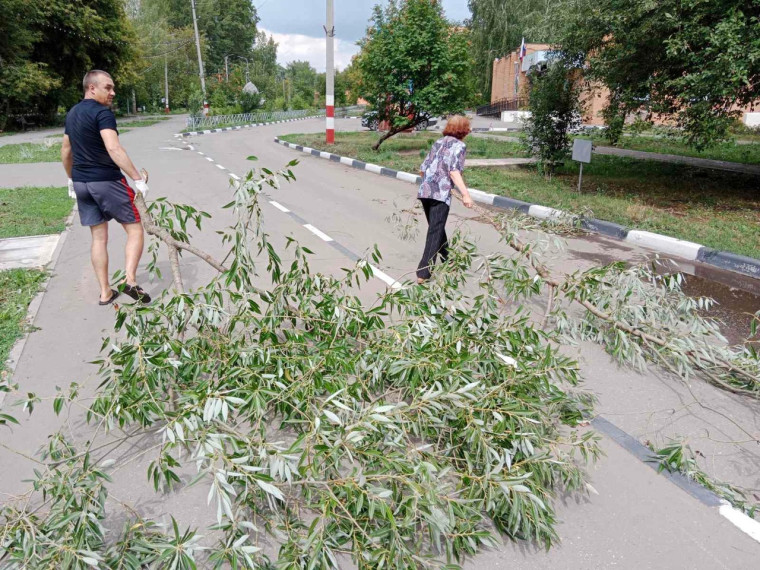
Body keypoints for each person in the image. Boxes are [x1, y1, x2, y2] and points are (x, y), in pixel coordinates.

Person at [61, 70, 151, 305]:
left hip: (82, 183)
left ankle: (105, 292)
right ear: (91, 88)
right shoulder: (102, 113)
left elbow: (66, 151)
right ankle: (130, 281)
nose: (113, 92)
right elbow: (114, 149)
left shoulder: (72, 113)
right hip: (107, 181)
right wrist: (136, 179)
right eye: (107, 88)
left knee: (98, 238)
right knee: (134, 228)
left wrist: (71, 179)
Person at [416, 115, 474, 284]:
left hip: (425, 192)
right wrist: (465, 194)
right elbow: (454, 171)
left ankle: (449, 260)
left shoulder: (438, 142)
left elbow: (423, 169)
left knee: (436, 228)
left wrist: (431, 181)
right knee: (435, 230)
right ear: (464, 129)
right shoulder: (460, 146)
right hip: (440, 195)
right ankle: (423, 272)